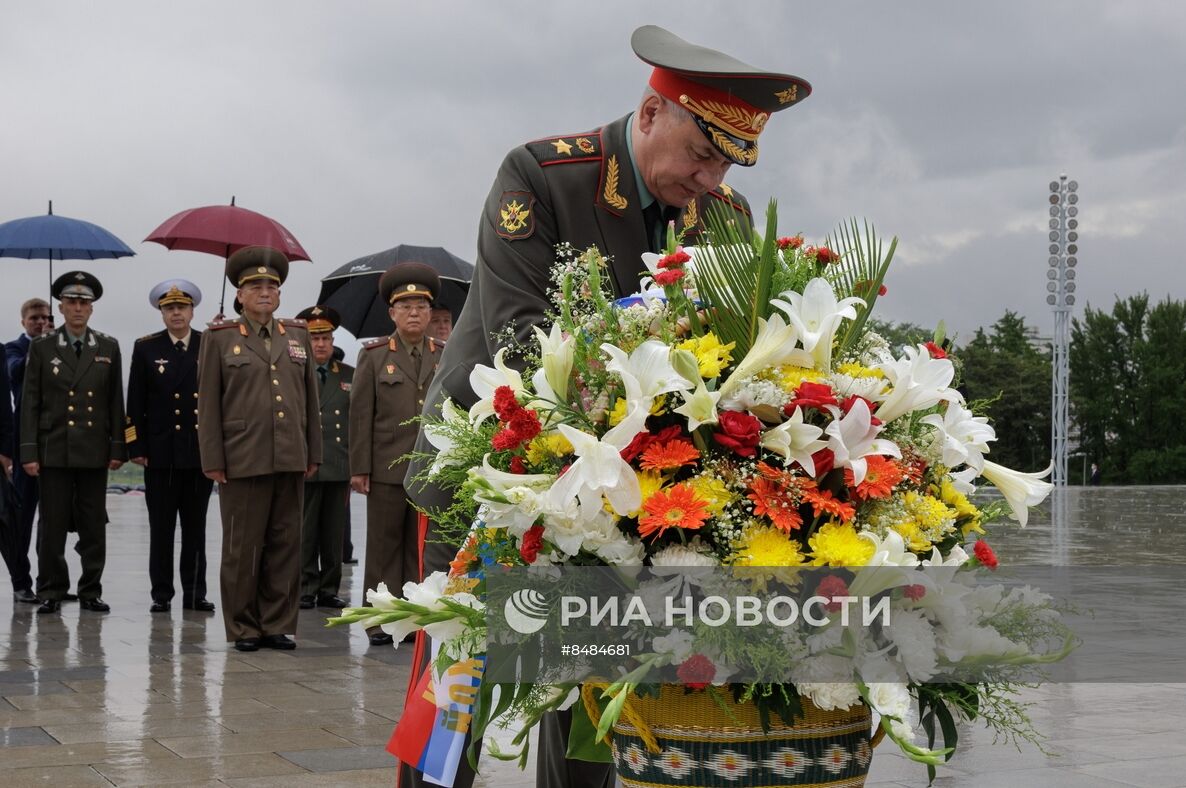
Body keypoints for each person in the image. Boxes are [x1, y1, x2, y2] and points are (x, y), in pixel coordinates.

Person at [401, 25, 811, 788]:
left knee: (590, 704)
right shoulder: (543, 176)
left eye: (727, 160)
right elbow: (518, 335)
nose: (709, 175)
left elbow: (734, 355)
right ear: (651, 114)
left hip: (628, 493)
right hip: (496, 470)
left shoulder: (724, 216)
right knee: (457, 701)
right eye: (701, 151)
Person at [197, 246, 321, 652]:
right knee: (242, 547)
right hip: (242, 457)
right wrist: (213, 459)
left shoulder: (297, 335)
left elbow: (310, 402)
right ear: (239, 294)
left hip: (290, 455)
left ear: (280, 294)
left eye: (272, 286)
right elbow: (209, 404)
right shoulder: (220, 338)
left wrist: (312, 453)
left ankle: (276, 623)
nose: (265, 292)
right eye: (255, 286)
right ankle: (243, 627)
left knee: (286, 544)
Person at [349, 262, 445, 647]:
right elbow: (360, 416)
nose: (414, 313)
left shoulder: (444, 354)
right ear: (392, 313)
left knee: (422, 547)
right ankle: (379, 622)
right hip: (387, 467)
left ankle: (415, 621)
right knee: (383, 549)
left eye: (421, 306)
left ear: (430, 312)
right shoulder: (373, 357)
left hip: (431, 468)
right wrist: (360, 469)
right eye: (405, 306)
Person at [20, 271, 127, 615]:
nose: (78, 308)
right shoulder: (42, 346)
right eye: (71, 302)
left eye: (84, 303)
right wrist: (29, 452)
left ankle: (90, 590)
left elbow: (115, 402)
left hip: (94, 451)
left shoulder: (108, 346)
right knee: (52, 524)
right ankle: (51, 589)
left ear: (91, 309)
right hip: (54, 449)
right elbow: (30, 403)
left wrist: (116, 448)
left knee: (94, 525)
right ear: (61, 308)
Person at [126, 280, 215, 614]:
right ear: (161, 313)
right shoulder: (147, 348)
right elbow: (134, 401)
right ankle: (161, 593)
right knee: (161, 528)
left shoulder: (210, 345)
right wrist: (136, 446)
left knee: (196, 529)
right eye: (169, 308)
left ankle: (195, 592)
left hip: (197, 453)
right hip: (161, 454)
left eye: (182, 307)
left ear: (192, 311)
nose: (176, 313)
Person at [295, 305, 352, 610]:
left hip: (338, 462)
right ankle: (305, 586)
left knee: (333, 532)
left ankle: (329, 587)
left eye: (325, 338)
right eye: (314, 338)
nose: (320, 344)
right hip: (303, 463)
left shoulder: (348, 375)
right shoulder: (294, 371)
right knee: (305, 531)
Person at [3, 298, 53, 604]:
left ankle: (50, 582)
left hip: (54, 443)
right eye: (34, 318)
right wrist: (40, 345)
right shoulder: (14, 348)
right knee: (21, 518)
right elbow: (15, 373)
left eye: (45, 317)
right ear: (23, 321)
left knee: (55, 520)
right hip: (24, 445)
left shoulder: (55, 346)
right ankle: (20, 581)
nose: (40, 322)